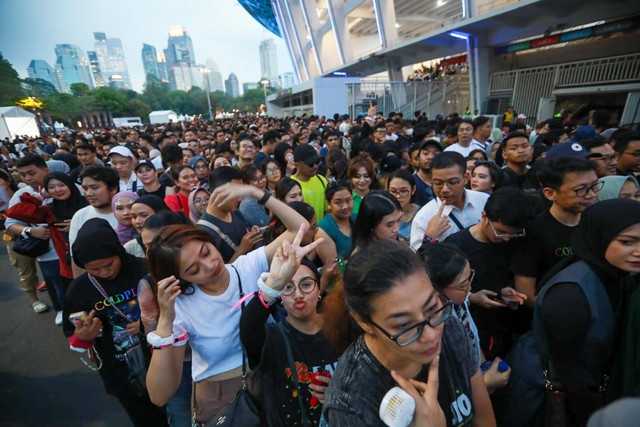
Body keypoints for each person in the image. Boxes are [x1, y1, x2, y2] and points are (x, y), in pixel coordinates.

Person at [145, 219, 317, 425]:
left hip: (276, 380)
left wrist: (255, 193)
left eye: (206, 252)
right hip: (223, 400)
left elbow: (299, 226)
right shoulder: (181, 307)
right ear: (179, 278)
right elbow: (159, 395)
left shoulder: (246, 267)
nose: (210, 265)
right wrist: (165, 320)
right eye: (193, 270)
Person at [323, 240, 496, 426]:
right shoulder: (350, 404)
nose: (430, 335)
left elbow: (484, 419)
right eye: (405, 325)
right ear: (365, 323)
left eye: (431, 307)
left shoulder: (447, 325)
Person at [506, 199, 640, 427]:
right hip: (554, 397)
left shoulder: (618, 275)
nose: (638, 251)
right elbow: (569, 372)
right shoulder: (569, 296)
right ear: (600, 237)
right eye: (627, 242)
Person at [63, 218, 167, 426]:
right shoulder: (80, 290)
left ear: (118, 250)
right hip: (123, 372)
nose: (104, 272)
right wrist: (83, 337)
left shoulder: (146, 269)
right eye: (93, 269)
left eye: (108, 264)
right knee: (146, 419)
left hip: (163, 359)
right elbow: (76, 330)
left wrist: (149, 321)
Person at [240, 258, 338, 426]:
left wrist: (338, 395)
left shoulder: (341, 329)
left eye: (306, 285)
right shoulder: (271, 338)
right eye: (288, 287)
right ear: (279, 297)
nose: (298, 294)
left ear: (319, 288)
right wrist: (273, 284)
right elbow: (249, 326)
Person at [445, 188, 530, 359]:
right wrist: (471, 297)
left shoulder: (516, 242)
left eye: (512, 234)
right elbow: (443, 292)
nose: (506, 238)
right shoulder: (456, 246)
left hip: (510, 328)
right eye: (501, 231)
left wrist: (506, 291)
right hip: (477, 332)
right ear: (484, 217)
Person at [418, 243, 512, 393]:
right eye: (462, 284)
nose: (469, 287)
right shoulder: (436, 332)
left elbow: (470, 334)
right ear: (435, 290)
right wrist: (485, 383)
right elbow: (446, 391)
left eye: (470, 276)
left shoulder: (455, 301)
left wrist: (482, 366)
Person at [511, 156, 601, 307]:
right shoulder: (534, 232)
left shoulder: (598, 223)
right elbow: (526, 292)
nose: (591, 194)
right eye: (581, 190)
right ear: (550, 193)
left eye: (595, 186)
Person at [410, 152, 489, 249]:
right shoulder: (423, 217)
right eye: (438, 183)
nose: (445, 189)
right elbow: (416, 259)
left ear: (465, 178)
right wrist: (429, 237)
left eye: (453, 182)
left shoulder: (484, 201)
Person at [69, 166, 120, 276]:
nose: (89, 193)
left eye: (94, 187)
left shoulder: (129, 213)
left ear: (113, 188)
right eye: (85, 188)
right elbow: (76, 259)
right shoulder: (80, 216)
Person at [351, 190, 402, 255]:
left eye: (398, 220)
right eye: (389, 225)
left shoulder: (401, 245)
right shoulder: (361, 257)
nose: (396, 229)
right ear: (372, 224)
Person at [317, 181, 354, 260]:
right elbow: (334, 268)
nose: (345, 207)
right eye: (338, 203)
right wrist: (356, 259)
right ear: (329, 204)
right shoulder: (323, 230)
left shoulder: (358, 219)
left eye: (348, 200)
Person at [291, 144, 328, 221]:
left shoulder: (321, 180)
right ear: (297, 165)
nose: (315, 166)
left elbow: (327, 210)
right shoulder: (290, 184)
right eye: (310, 164)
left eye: (317, 162)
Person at [387, 168, 420, 243]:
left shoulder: (421, 213)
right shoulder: (383, 213)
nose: (398, 196)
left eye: (403, 191)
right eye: (393, 191)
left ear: (413, 190)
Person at [413, 140, 442, 206]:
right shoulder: (411, 183)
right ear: (418, 158)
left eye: (436, 154)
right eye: (425, 153)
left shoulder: (446, 183)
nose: (430, 157)